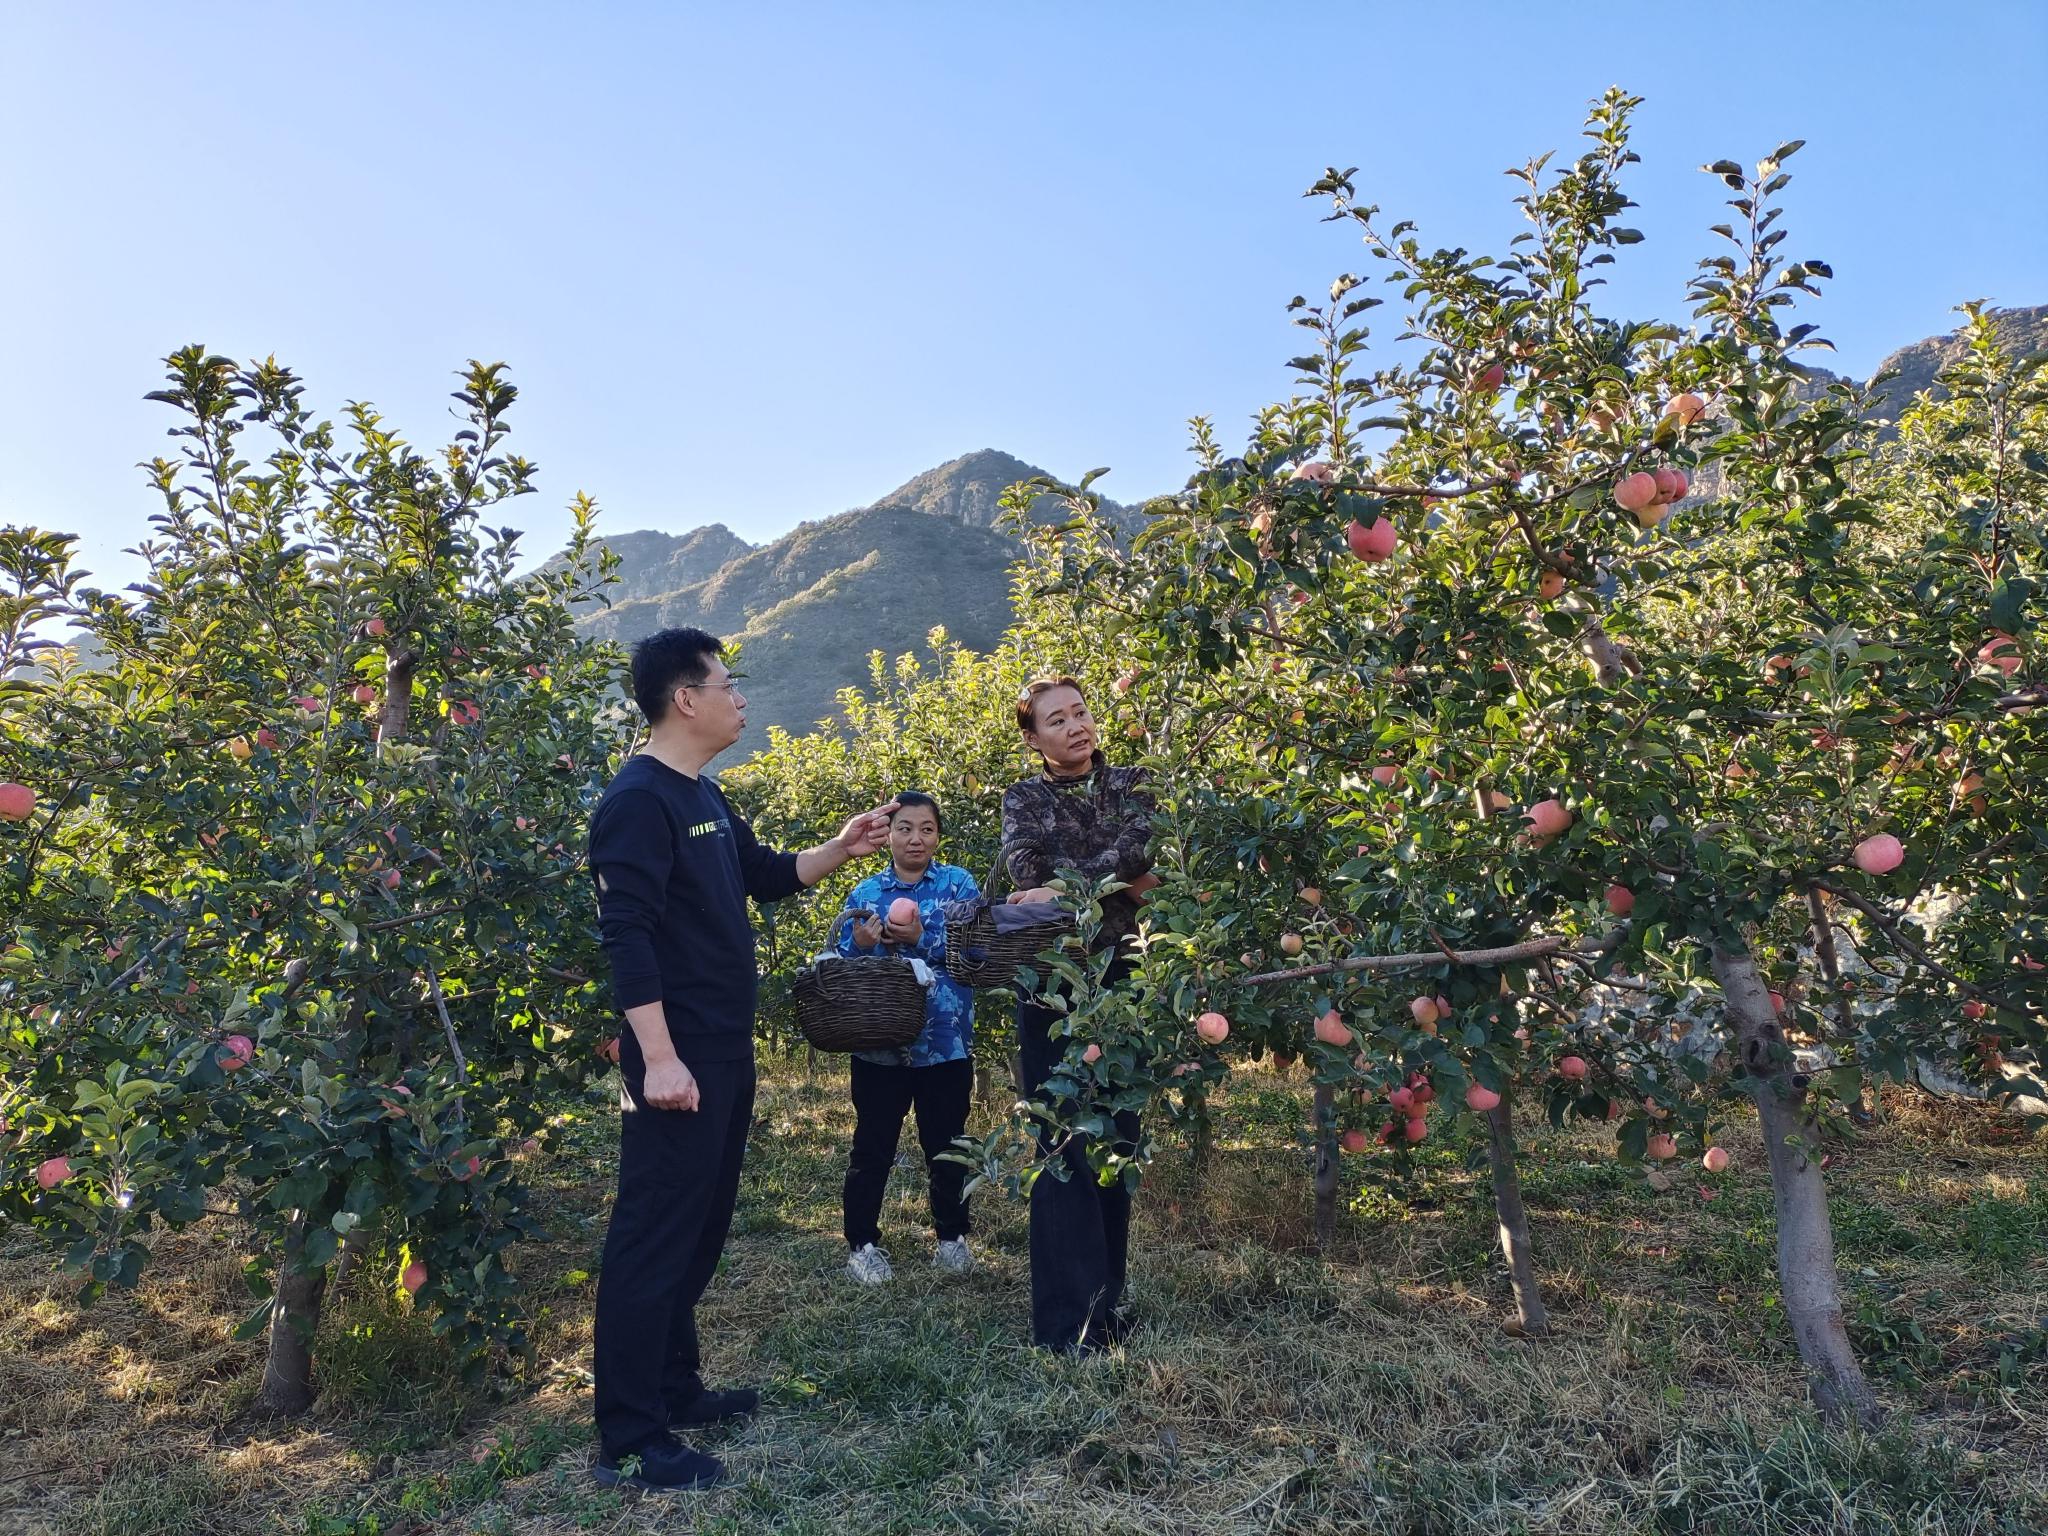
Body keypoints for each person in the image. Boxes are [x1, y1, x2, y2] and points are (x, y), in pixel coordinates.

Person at [586, 626, 896, 1493]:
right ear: (687, 699)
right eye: (728, 684)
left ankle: (674, 1389)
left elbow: (760, 873)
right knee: (652, 1237)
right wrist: (660, 1059)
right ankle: (629, 1438)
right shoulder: (638, 800)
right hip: (678, 1059)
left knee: (698, 1226)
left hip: (722, 1050)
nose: (740, 697)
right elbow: (627, 936)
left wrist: (841, 847)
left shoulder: (703, 797)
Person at [1000, 675, 1160, 1353]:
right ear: (1033, 738)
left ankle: (1109, 1309)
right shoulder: (1025, 796)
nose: (1074, 726)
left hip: (1123, 974)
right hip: (1053, 981)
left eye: (1080, 712)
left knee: (1117, 1137)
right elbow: (1022, 865)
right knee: (1064, 1142)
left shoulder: (1133, 783)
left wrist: (1068, 883)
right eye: (1055, 720)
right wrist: (1116, 879)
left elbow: (1145, 851)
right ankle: (1067, 1326)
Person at [831, 791, 982, 1284]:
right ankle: (863, 1245)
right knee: (872, 1145)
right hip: (879, 1044)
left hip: (944, 1042)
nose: (916, 838)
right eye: (905, 828)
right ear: (889, 835)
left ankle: (951, 1239)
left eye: (927, 829)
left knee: (947, 1144)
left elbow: (977, 952)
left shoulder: (959, 885)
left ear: (938, 835)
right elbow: (838, 963)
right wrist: (860, 943)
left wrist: (922, 939)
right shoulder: (866, 892)